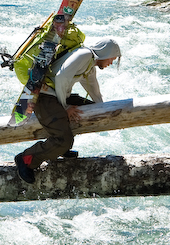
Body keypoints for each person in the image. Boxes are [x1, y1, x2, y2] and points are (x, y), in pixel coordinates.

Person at [14, 13, 121, 184]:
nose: (111, 63)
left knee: (90, 107)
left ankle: (56, 149)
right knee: (64, 140)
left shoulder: (89, 64)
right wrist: (65, 108)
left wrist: (105, 111)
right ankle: (26, 159)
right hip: (46, 97)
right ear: (106, 53)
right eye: (112, 59)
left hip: (57, 96)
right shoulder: (84, 55)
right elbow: (61, 78)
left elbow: (93, 89)